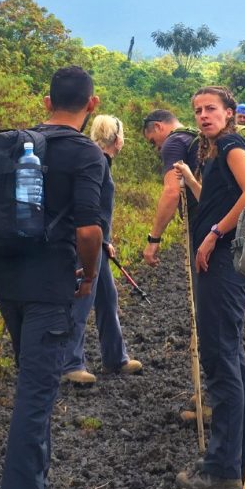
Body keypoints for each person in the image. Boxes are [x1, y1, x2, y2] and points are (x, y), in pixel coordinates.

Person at [0, 66, 106, 489]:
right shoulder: (86, 152)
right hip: (49, 287)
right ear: (92, 104)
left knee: (32, 389)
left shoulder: (20, 142)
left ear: (45, 100)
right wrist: (87, 276)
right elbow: (89, 231)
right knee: (35, 401)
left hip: (7, 278)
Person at [174, 86, 245, 489]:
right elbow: (216, 201)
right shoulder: (214, 152)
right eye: (197, 111)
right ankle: (238, 458)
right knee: (230, 354)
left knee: (220, 356)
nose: (203, 116)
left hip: (223, 263)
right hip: (222, 262)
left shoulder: (230, 146)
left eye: (211, 109)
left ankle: (224, 467)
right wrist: (193, 181)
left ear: (229, 113)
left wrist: (213, 234)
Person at [62, 115, 143, 385]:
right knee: (81, 301)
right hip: (87, 242)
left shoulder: (98, 160)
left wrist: (105, 240)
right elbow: (89, 208)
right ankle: (70, 363)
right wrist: (99, 240)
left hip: (98, 242)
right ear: (117, 139)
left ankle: (115, 358)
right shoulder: (96, 162)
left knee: (107, 299)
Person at [140, 109, 199, 267]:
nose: (157, 148)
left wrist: (154, 239)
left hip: (201, 222)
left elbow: (172, 192)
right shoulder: (195, 136)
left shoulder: (174, 141)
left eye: (153, 141)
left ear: (158, 126)